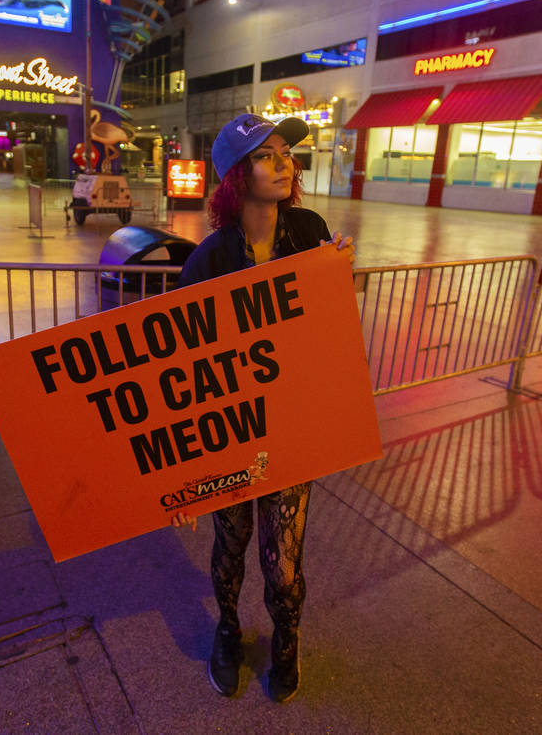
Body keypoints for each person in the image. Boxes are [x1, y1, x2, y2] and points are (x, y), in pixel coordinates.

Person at [172, 113, 355, 703]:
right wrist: (181, 476)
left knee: (283, 565)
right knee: (231, 547)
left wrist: (339, 276)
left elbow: (327, 330)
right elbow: (177, 368)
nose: (284, 164)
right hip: (229, 436)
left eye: (286, 155)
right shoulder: (209, 258)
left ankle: (286, 638)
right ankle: (228, 630)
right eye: (267, 155)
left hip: (292, 429)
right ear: (233, 176)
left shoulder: (308, 231)